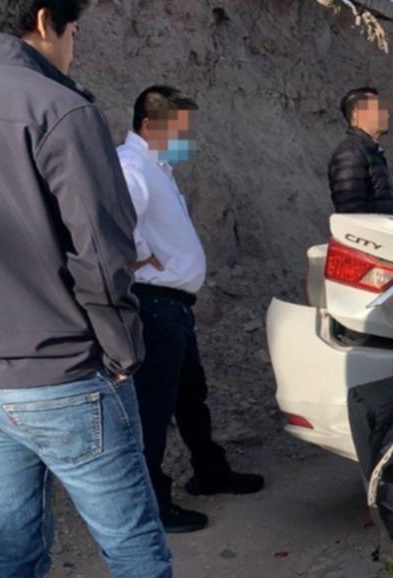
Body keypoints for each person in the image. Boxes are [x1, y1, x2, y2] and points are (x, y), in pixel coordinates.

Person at [0, 3, 198, 578]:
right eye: (74, 29)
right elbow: (101, 251)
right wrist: (123, 350)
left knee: (11, 558)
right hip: (63, 374)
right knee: (135, 554)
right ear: (43, 20)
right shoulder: (58, 109)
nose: (73, 44)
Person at [118, 86, 264, 534]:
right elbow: (120, 218)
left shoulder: (158, 167)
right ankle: (153, 504)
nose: (188, 139)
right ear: (149, 125)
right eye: (180, 131)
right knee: (154, 408)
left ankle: (209, 470)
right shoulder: (132, 164)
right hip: (154, 305)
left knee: (189, 397)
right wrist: (140, 254)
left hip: (173, 308)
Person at [328, 86, 393, 214]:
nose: (387, 114)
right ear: (357, 113)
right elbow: (351, 211)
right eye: (378, 108)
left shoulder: (370, 152)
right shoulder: (350, 154)